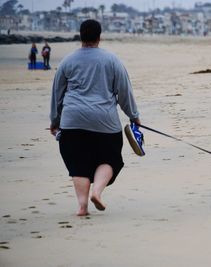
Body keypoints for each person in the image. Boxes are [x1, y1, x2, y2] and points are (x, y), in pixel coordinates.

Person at [49, 19, 142, 216]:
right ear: (99, 37)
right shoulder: (112, 60)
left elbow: (57, 94)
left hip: (73, 121)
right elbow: (124, 92)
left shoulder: (67, 61)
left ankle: (82, 206)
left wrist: (55, 121)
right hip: (105, 122)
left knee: (78, 164)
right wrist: (134, 116)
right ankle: (97, 192)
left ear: (81, 36)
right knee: (110, 159)